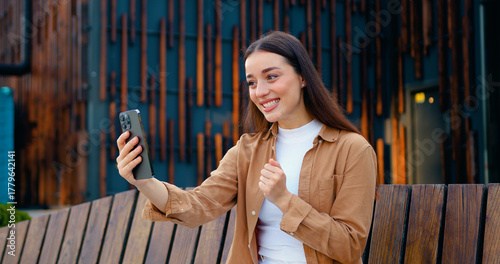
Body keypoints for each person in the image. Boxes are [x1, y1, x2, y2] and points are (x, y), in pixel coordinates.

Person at [116, 31, 377, 264]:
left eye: (271, 77)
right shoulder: (248, 150)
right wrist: (144, 181)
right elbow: (198, 206)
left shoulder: (352, 149)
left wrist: (285, 200)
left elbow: (350, 247)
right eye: (252, 82)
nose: (260, 91)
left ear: (302, 78)